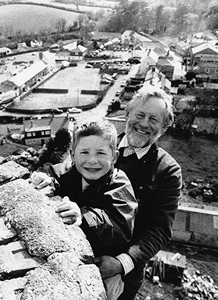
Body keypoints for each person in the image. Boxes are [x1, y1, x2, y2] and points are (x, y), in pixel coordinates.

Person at [31, 85, 182, 300]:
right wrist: (49, 180)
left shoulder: (167, 170)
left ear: (164, 128)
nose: (144, 123)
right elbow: (68, 171)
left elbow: (159, 230)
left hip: (120, 270)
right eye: (140, 114)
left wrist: (122, 262)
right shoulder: (99, 141)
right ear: (127, 114)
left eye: (154, 119)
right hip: (75, 250)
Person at [30, 117, 138, 300]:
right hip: (72, 255)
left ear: (115, 157)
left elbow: (119, 228)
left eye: (101, 153)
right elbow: (56, 174)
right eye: (84, 152)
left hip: (105, 262)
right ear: (72, 155)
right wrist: (49, 182)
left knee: (106, 293)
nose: (92, 160)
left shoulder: (120, 185)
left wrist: (84, 215)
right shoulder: (69, 172)